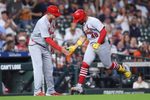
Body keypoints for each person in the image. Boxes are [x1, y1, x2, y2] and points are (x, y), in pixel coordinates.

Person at [69, 9, 132, 93]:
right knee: (85, 64)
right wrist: (75, 46)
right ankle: (79, 86)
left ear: (83, 17)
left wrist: (98, 43)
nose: (78, 22)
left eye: (79, 20)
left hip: (102, 45)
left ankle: (123, 69)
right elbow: (84, 37)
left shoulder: (93, 21)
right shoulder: (83, 24)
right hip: (92, 44)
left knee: (108, 66)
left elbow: (103, 32)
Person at [28, 5, 69, 96]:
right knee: (38, 67)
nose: (56, 16)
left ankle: (50, 91)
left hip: (45, 46)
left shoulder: (53, 20)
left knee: (49, 68)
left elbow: (51, 36)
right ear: (49, 13)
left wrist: (51, 47)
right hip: (35, 45)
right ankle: (37, 91)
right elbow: (47, 39)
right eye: (55, 14)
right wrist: (60, 49)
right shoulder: (42, 22)